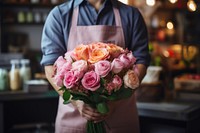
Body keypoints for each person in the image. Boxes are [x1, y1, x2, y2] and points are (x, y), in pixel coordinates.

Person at [40, 0, 150, 132]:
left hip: (120, 117)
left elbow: (141, 61)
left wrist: (114, 101)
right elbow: (50, 66)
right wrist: (78, 102)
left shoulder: (131, 15)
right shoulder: (59, 15)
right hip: (73, 121)